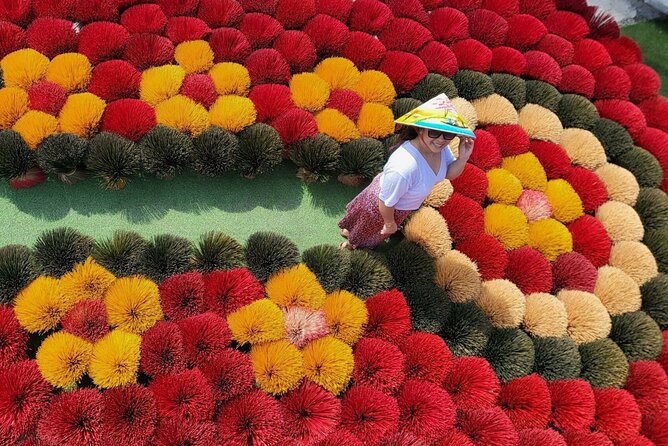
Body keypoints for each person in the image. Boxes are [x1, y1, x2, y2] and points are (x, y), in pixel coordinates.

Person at [338, 94, 475, 250]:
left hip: (398, 203)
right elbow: (385, 202)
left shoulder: (439, 150)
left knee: (361, 225)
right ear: (420, 129)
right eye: (434, 132)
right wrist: (390, 224)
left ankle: (349, 232)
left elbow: (449, 173)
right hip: (381, 205)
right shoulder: (404, 166)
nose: (442, 139)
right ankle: (349, 244)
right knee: (367, 231)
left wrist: (463, 157)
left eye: (448, 133)